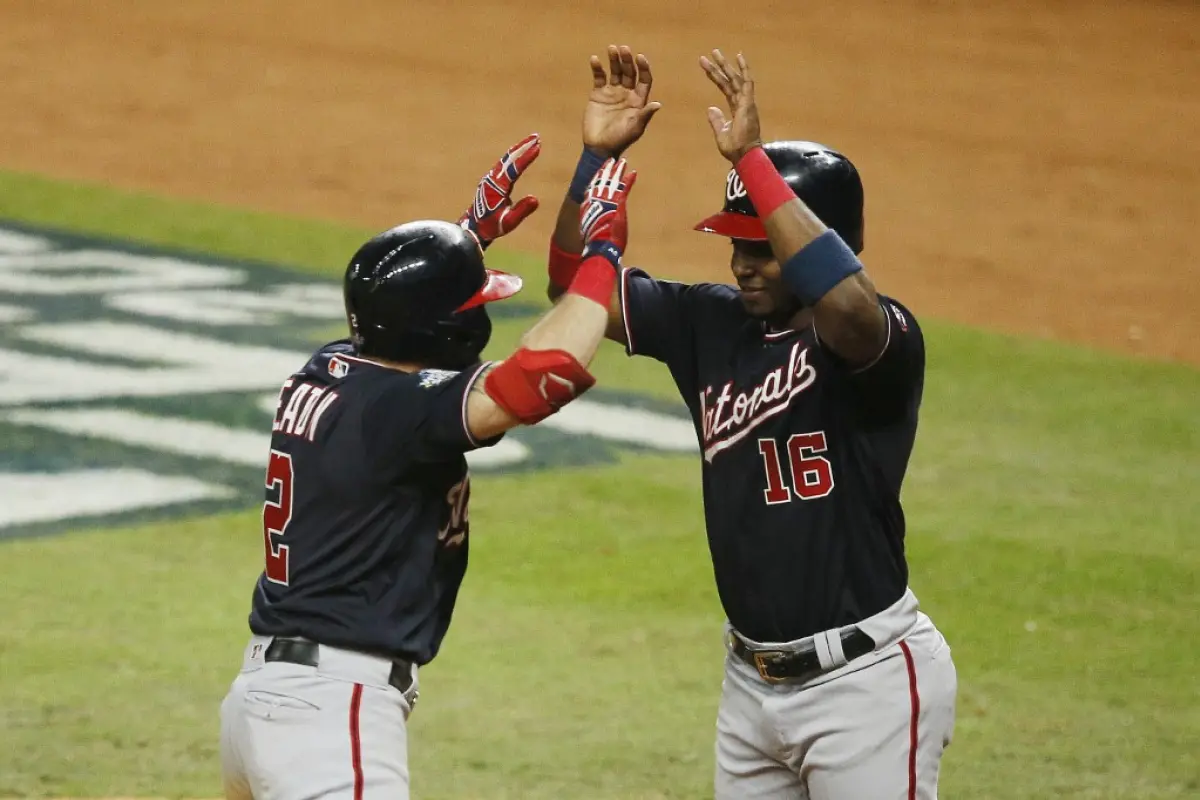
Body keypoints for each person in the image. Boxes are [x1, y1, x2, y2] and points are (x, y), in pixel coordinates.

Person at [546, 45, 957, 799]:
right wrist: (593, 162)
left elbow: (846, 304)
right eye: (736, 243)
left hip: (865, 685)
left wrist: (754, 164)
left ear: (816, 244)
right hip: (751, 689)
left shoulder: (879, 340)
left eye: (764, 249)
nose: (742, 264)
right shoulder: (708, 324)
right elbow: (574, 287)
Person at [219, 133, 640, 799]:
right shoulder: (403, 414)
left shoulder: (330, 368)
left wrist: (466, 239)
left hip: (262, 701)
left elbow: (404, 317)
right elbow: (540, 376)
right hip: (331, 712)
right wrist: (603, 256)